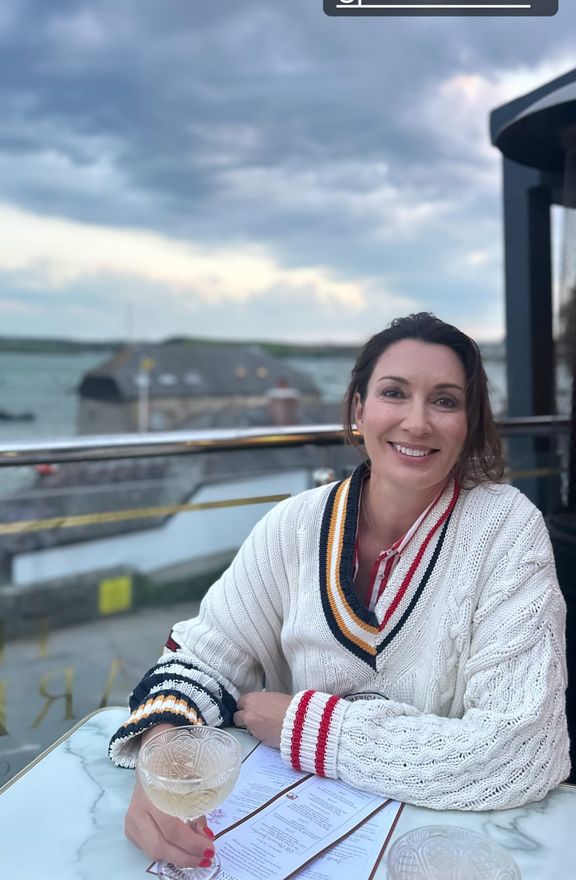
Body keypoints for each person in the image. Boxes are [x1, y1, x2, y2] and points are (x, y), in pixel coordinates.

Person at [109, 312, 570, 870]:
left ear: (470, 422)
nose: (417, 422)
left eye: (445, 401)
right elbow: (202, 656)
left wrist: (312, 729)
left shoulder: (506, 530)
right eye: (393, 393)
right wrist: (163, 760)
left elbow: (521, 755)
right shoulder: (295, 524)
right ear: (359, 409)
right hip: (295, 842)